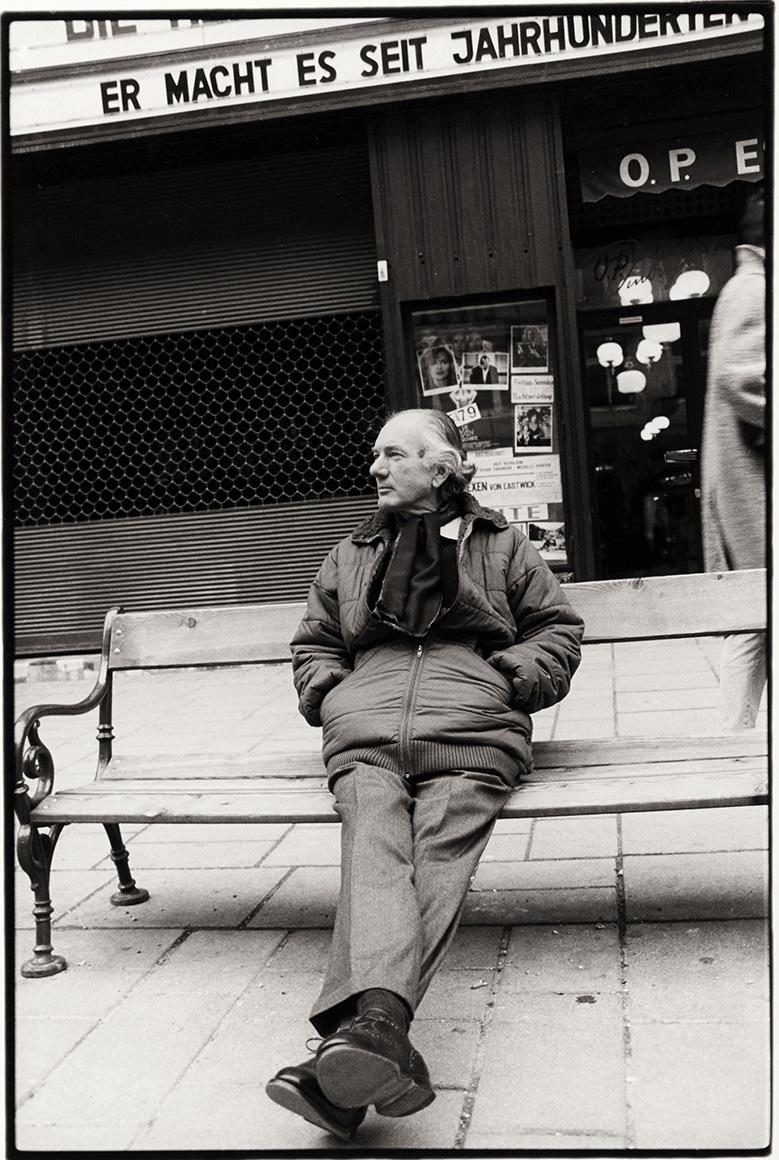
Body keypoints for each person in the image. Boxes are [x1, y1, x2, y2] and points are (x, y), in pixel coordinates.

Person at [266, 408, 584, 1139]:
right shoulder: (350, 551)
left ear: (438, 468)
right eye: (374, 455)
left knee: (435, 847)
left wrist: (508, 676)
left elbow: (557, 629)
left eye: (391, 455)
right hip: (366, 730)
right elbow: (313, 640)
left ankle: (354, 1058)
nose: (375, 468)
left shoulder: (503, 546)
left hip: (472, 728)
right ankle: (377, 1039)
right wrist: (328, 691)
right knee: (375, 837)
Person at [700, 183, 766, 730]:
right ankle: (734, 742)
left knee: (753, 620)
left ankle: (735, 740)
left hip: (752, 490)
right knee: (752, 620)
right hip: (756, 492)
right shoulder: (755, 289)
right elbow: (741, 379)